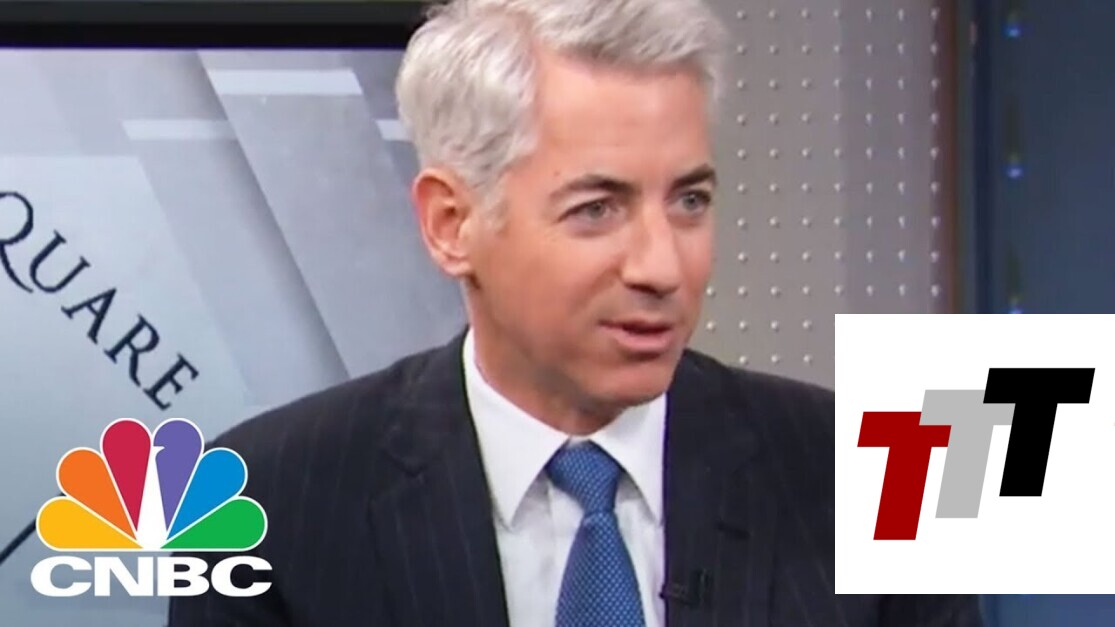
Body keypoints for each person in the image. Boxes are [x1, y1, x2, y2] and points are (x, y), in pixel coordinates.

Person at [168, 0, 983, 625]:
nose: (661, 267)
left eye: (689, 200)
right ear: (452, 224)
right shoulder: (261, 504)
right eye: (597, 208)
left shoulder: (887, 475)